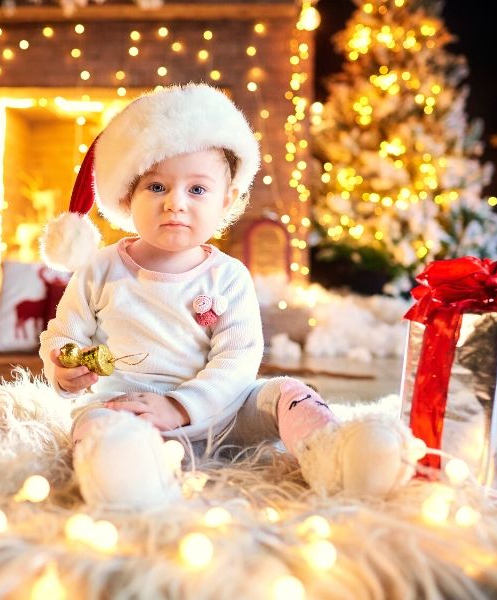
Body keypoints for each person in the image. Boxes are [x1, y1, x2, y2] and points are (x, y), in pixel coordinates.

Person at [40, 83, 417, 510]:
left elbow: (237, 358)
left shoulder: (228, 277)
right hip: (129, 411)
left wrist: (182, 407)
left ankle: (336, 456)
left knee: (284, 392)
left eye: (197, 190)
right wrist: (64, 365)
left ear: (227, 200)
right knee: (94, 425)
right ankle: (130, 472)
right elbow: (62, 334)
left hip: (223, 411)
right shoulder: (99, 269)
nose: (175, 204)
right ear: (128, 195)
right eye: (157, 187)